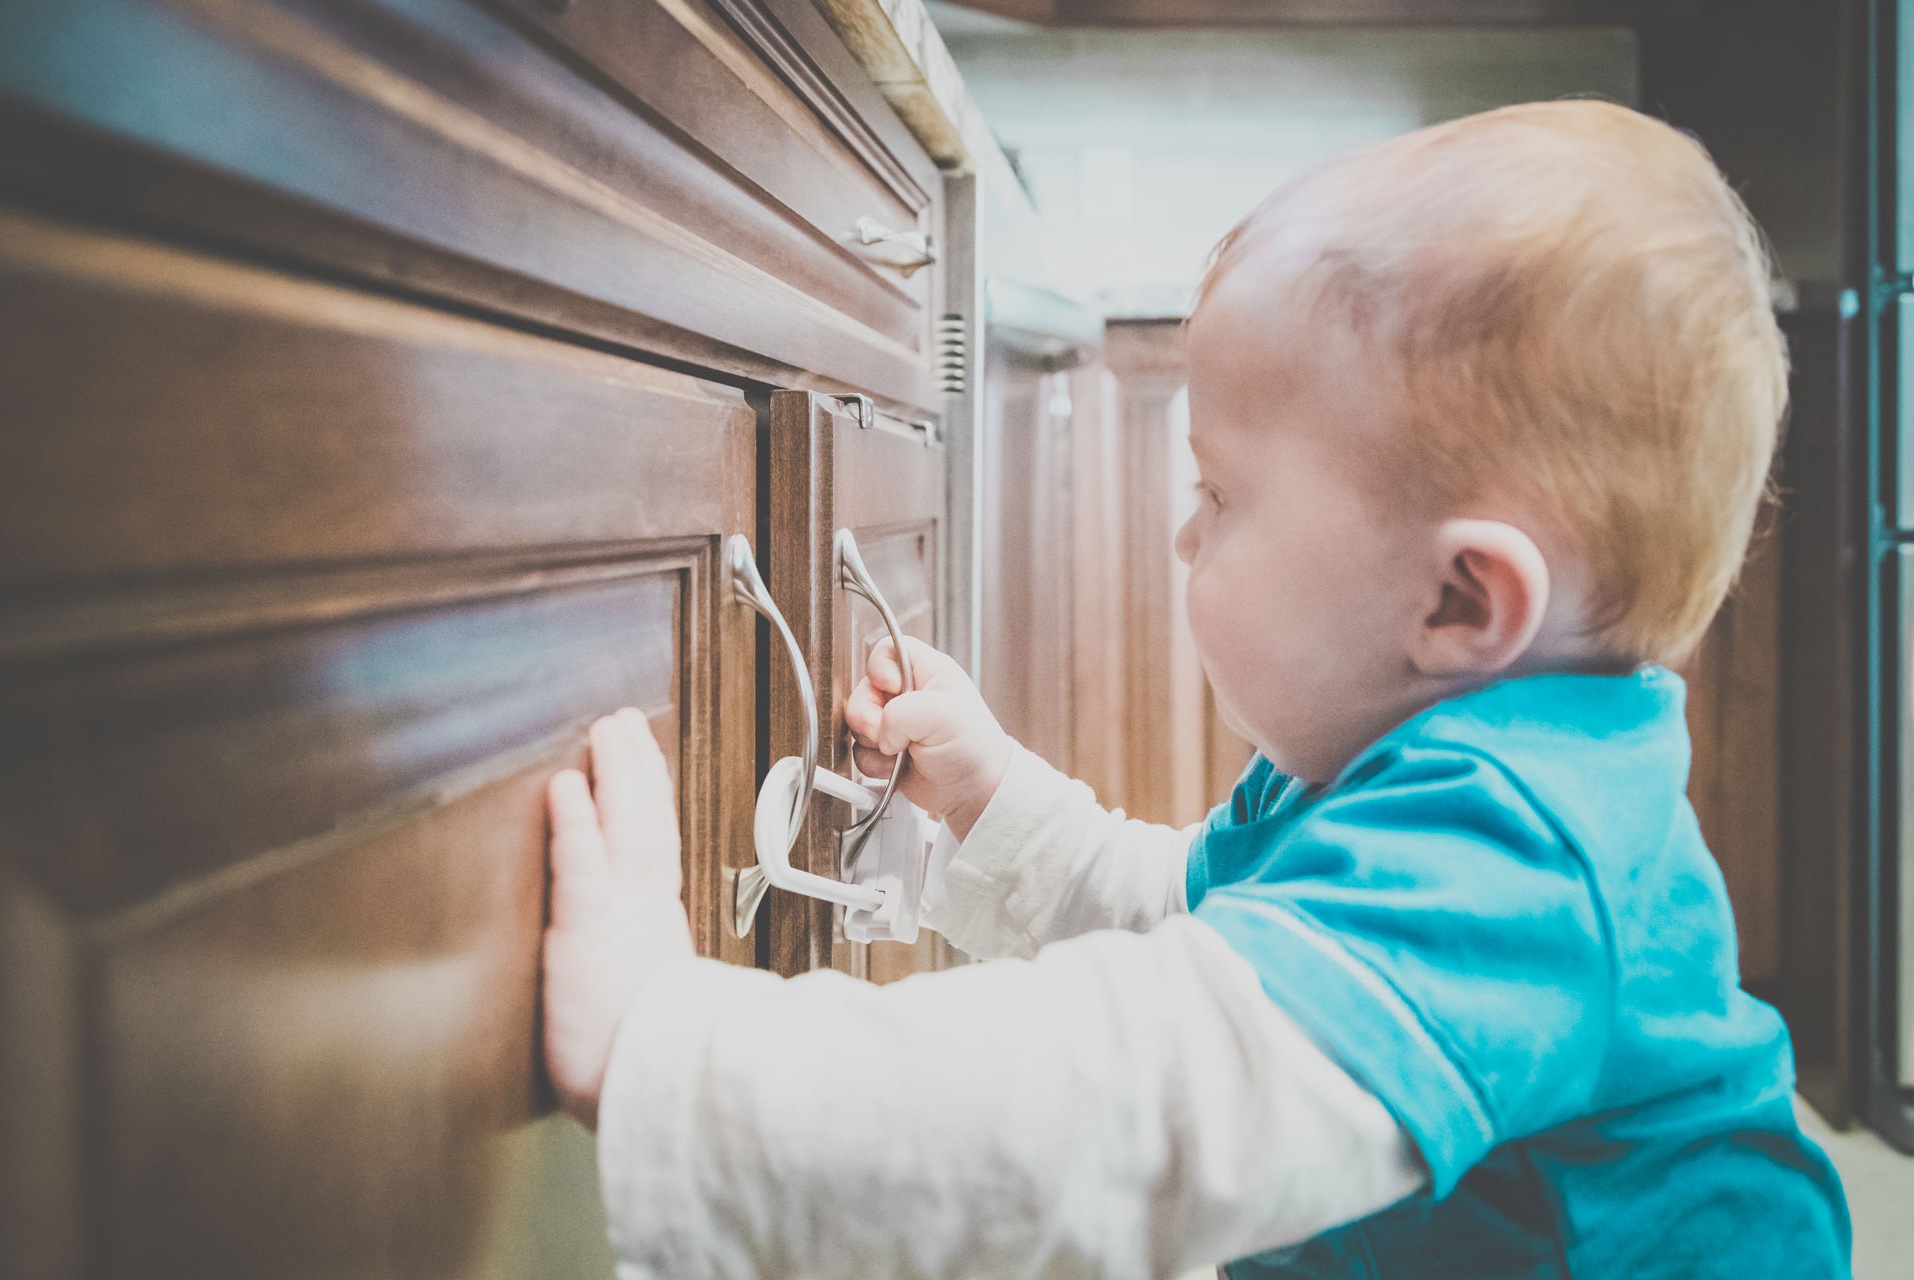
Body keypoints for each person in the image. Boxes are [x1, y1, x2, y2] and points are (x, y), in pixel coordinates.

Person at [539, 100, 1853, 1278]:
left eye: (1219, 496)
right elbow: (1193, 925)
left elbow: (1136, 1105)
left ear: (1458, 603)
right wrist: (997, 803)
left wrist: (674, 1058)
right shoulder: (1414, 762)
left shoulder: (1524, 857)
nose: (1184, 537)